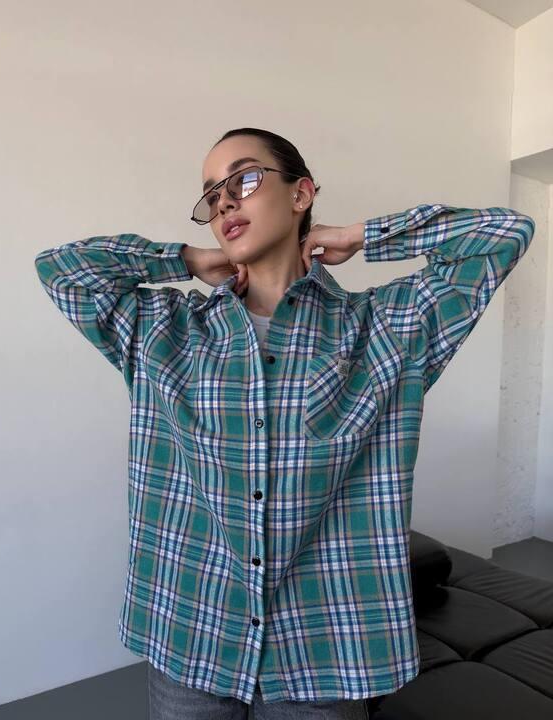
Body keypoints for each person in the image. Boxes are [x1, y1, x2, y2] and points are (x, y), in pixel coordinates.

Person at [34, 127, 535, 720]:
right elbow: (61, 269)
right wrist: (185, 259)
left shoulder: (386, 328)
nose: (224, 200)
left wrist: (360, 236)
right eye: (211, 193)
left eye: (243, 178)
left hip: (323, 650)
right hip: (192, 633)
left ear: (301, 193)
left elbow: (503, 234)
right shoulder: (164, 330)